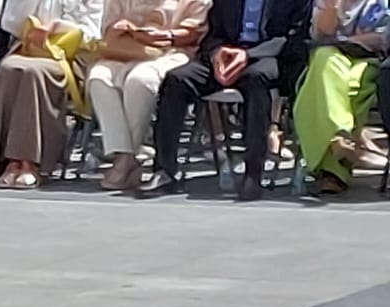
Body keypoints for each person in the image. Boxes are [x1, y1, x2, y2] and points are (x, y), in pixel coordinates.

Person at [139, 0, 311, 200]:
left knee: (255, 80)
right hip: (227, 57)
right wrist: (216, 53)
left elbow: (294, 39)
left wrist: (248, 55)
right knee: (177, 80)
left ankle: (253, 174)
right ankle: (164, 171)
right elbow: (212, 33)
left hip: (270, 58)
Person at [0, 0, 105, 188]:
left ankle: (30, 162)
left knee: (33, 73)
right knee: (10, 68)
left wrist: (55, 27)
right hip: (29, 49)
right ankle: (6, 161)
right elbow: (10, 23)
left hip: (70, 56)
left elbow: (92, 33)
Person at [86, 0, 211, 190]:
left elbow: (196, 32)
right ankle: (125, 155)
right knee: (99, 78)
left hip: (171, 51)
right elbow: (110, 30)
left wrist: (166, 35)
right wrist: (131, 32)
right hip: (126, 50)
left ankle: (128, 158)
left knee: (140, 80)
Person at [293, 0, 390, 193]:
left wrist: (354, 41)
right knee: (324, 62)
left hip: (370, 58)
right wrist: (332, 7)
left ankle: (332, 170)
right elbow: (321, 34)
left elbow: (383, 38)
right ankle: (341, 134)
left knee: (351, 86)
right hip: (333, 54)